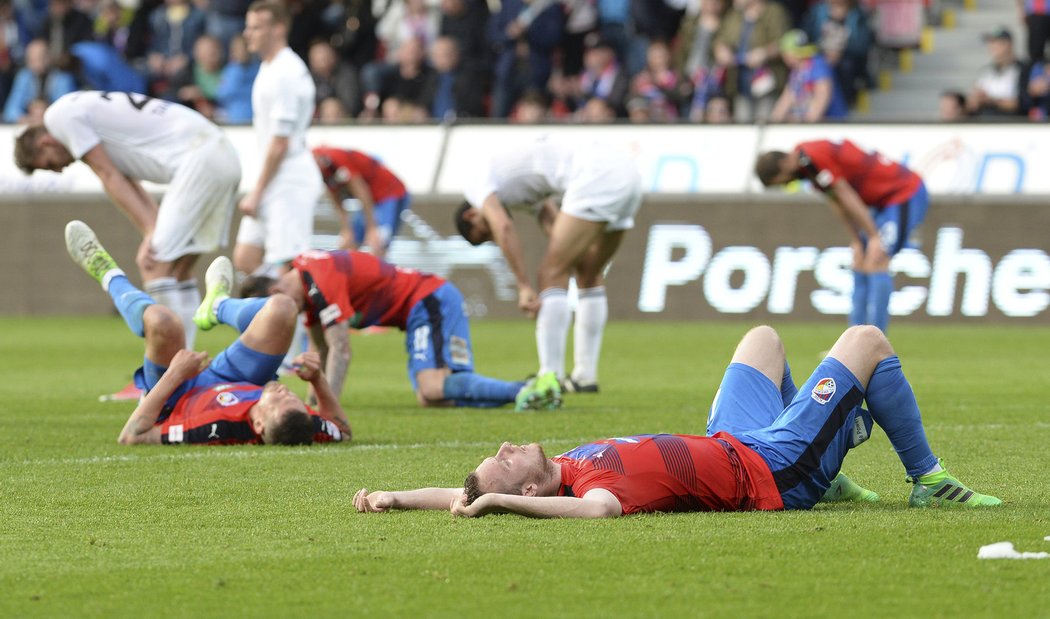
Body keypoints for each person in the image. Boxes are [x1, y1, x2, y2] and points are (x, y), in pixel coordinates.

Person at [353, 324, 1001, 517]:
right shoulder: (591, 494)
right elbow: (596, 515)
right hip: (772, 471)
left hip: (737, 439)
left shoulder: (571, 464)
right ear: (526, 490)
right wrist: (495, 502)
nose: (506, 444)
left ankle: (830, 444)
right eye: (506, 459)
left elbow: (458, 493)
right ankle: (927, 478)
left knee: (762, 339)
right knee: (867, 341)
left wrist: (396, 496)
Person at [63, 220, 351, 445]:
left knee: (165, 324)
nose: (285, 390)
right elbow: (342, 430)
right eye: (294, 397)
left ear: (259, 425)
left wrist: (175, 373)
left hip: (179, 393)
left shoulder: (213, 427)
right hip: (242, 379)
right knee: (283, 308)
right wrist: (316, 379)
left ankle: (107, 273)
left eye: (279, 399)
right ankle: (218, 305)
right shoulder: (297, 422)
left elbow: (131, 436)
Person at [13, 90, 241, 351]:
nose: (59, 169)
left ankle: (169, 366)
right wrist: (152, 228)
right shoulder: (77, 109)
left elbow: (109, 176)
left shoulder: (61, 117)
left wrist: (151, 232)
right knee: (178, 269)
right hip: (221, 152)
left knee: (154, 265)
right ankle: (183, 363)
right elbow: (124, 176)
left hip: (198, 158)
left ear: (45, 143)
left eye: (49, 164)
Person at [221, 249, 553, 411]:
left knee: (433, 386)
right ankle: (525, 394)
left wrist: (327, 414)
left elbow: (341, 350)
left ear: (275, 295)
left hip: (429, 299)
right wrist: (311, 403)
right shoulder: (306, 289)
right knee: (430, 397)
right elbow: (320, 354)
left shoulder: (318, 279)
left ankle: (524, 389)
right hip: (419, 311)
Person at [453, 137, 643, 394]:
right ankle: (585, 377)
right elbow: (552, 222)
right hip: (628, 173)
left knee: (550, 275)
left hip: (596, 175)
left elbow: (503, 226)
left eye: (484, 233)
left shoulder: (475, 185)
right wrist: (564, 257)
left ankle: (549, 378)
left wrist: (523, 285)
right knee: (588, 271)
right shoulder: (518, 189)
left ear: (471, 215)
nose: (493, 238)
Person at [754, 139, 929, 333]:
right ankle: (854, 341)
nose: (787, 183)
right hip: (883, 202)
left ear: (784, 164)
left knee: (877, 257)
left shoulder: (813, 157)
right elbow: (836, 201)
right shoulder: (806, 166)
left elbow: (845, 194)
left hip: (904, 193)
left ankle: (876, 342)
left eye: (782, 180)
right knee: (859, 258)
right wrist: (857, 239)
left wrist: (873, 236)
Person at [233, 0, 323, 281]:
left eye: (256, 28)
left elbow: (280, 142)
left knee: (290, 268)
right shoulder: (269, 67)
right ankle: (279, 310)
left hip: (288, 181)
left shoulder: (286, 72)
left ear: (278, 28)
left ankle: (307, 320)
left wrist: (258, 190)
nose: (248, 34)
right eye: (248, 27)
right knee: (245, 258)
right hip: (271, 177)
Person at [311, 146, 411, 260]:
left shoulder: (336, 159)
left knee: (378, 241)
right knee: (349, 243)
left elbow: (361, 192)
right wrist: (347, 230)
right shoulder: (322, 170)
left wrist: (372, 227)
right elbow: (336, 199)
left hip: (390, 192)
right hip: (372, 198)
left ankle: (376, 273)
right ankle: (350, 272)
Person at [769, 29, 848, 122]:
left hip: (831, 125)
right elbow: (786, 99)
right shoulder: (796, 71)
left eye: (785, 52)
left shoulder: (818, 65)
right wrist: (773, 122)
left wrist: (806, 123)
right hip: (810, 124)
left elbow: (822, 96)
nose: (783, 56)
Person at [967, 27, 1024, 118]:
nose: (992, 46)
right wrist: (975, 100)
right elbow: (971, 105)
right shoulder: (985, 72)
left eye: (996, 42)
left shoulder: (1022, 69)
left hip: (1013, 125)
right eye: (990, 42)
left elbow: (1022, 103)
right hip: (986, 123)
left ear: (1009, 44)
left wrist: (990, 101)